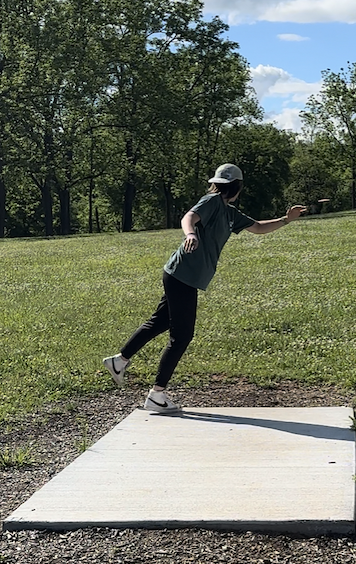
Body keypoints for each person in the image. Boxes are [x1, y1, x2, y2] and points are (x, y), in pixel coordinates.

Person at [103, 163, 307, 412]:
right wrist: (190, 234)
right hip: (182, 276)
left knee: (160, 321)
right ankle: (157, 395)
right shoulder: (211, 201)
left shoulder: (230, 213)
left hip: (181, 275)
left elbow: (258, 227)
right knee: (182, 335)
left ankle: (119, 361)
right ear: (237, 187)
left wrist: (287, 220)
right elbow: (188, 217)